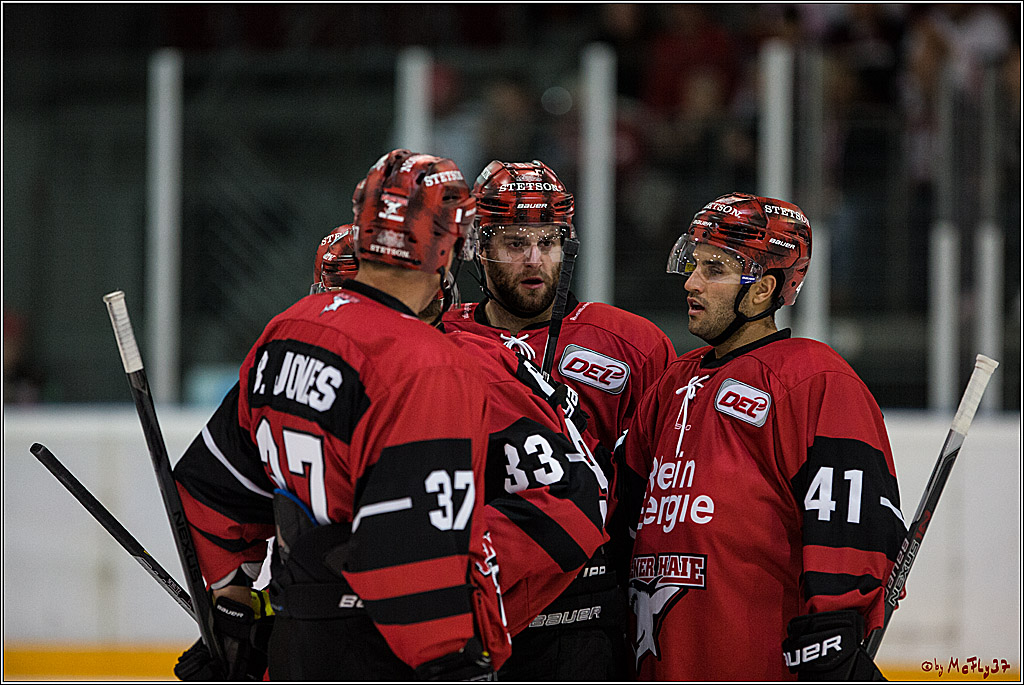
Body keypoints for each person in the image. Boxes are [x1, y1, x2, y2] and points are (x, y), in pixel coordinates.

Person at [172, 149, 510, 681]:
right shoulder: (429, 363)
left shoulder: (288, 328)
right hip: (377, 654)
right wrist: (452, 658)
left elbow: (211, 483)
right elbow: (409, 551)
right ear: (448, 245)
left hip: (295, 640)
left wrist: (233, 601)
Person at [617, 192, 905, 681]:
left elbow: (850, 514)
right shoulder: (672, 383)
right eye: (695, 263)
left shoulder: (814, 379)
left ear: (760, 290)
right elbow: (623, 502)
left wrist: (835, 620)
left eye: (714, 269)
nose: (692, 281)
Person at [310, 224, 620, 673]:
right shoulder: (313, 378)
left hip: (532, 635)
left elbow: (570, 501)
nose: (348, 321)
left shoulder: (470, 370)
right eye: (338, 302)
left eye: (365, 305)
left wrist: (446, 574)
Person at [442, 160, 676, 680]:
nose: (534, 259)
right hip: (479, 598)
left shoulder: (630, 344)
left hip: (590, 614)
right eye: (514, 243)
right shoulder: (442, 338)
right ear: (478, 246)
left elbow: (660, 485)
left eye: (547, 242)